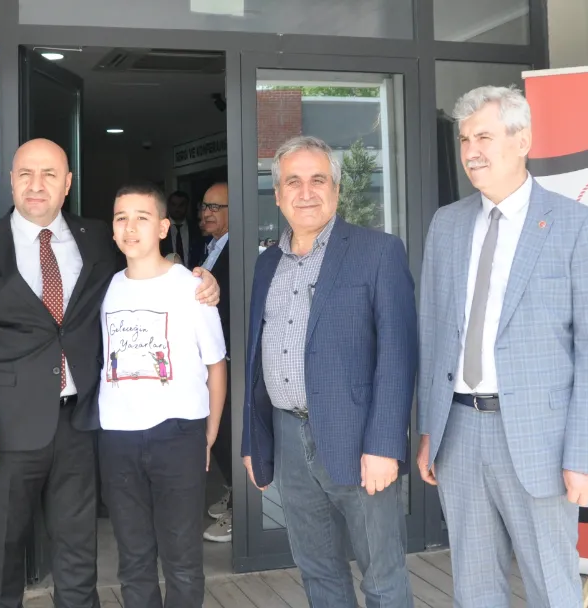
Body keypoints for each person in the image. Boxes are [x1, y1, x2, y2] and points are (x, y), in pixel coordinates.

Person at [0, 138, 219, 608]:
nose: (37, 184)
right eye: (26, 173)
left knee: (77, 556)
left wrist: (199, 279)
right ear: (11, 181)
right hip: (3, 430)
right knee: (3, 556)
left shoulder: (98, 240)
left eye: (49, 174)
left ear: (67, 183)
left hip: (82, 425)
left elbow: (146, 270)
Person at [417, 85, 588, 606]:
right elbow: (433, 334)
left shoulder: (578, 227)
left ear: (522, 141)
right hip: (458, 433)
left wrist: (587, 453)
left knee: (552, 588)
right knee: (474, 588)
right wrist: (430, 429)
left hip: (541, 441)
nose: (471, 151)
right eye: (464, 139)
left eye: (485, 137)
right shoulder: (447, 224)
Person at [242, 135, 417, 607]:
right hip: (288, 438)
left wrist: (385, 445)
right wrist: (253, 441)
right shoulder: (266, 264)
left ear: (336, 190)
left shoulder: (378, 252)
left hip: (360, 441)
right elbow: (256, 360)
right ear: (277, 195)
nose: (306, 192)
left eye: (318, 180)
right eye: (293, 182)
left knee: (382, 577)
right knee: (318, 571)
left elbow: (398, 355)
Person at [98, 181, 227, 607]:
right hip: (117, 438)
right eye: (121, 218)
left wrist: (208, 434)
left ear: (163, 227)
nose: (130, 227)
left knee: (182, 560)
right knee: (134, 560)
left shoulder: (190, 286)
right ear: (113, 229)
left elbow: (216, 364)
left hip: (178, 434)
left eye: (142, 217)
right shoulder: (105, 287)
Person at [198, 182, 234, 544]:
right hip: (211, 360)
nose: (206, 213)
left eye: (215, 207)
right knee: (220, 432)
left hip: (229, 359)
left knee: (228, 433)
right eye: (205, 206)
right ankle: (233, 491)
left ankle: (242, 510)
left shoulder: (239, 251)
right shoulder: (210, 247)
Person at [158, 190, 203, 269]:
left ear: (187, 206)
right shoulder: (160, 228)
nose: (177, 208)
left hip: (193, 273)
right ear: (168, 206)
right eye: (173, 204)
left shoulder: (196, 228)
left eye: (181, 205)